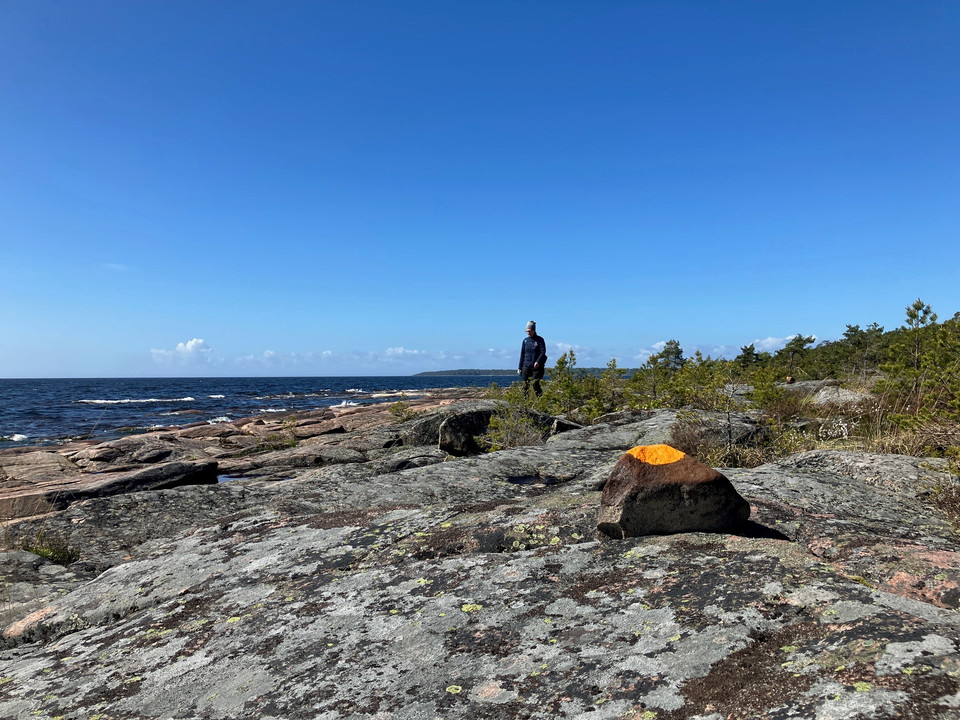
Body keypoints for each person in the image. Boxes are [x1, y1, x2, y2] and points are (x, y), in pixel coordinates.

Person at [518, 320, 547, 397]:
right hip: (526, 366)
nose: (528, 333)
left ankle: (540, 401)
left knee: (535, 385)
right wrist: (520, 367)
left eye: (529, 331)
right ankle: (525, 403)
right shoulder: (525, 341)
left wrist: (538, 361)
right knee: (525, 386)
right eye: (526, 331)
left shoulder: (540, 340)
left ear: (534, 330)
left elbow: (543, 352)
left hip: (537, 368)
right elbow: (522, 354)